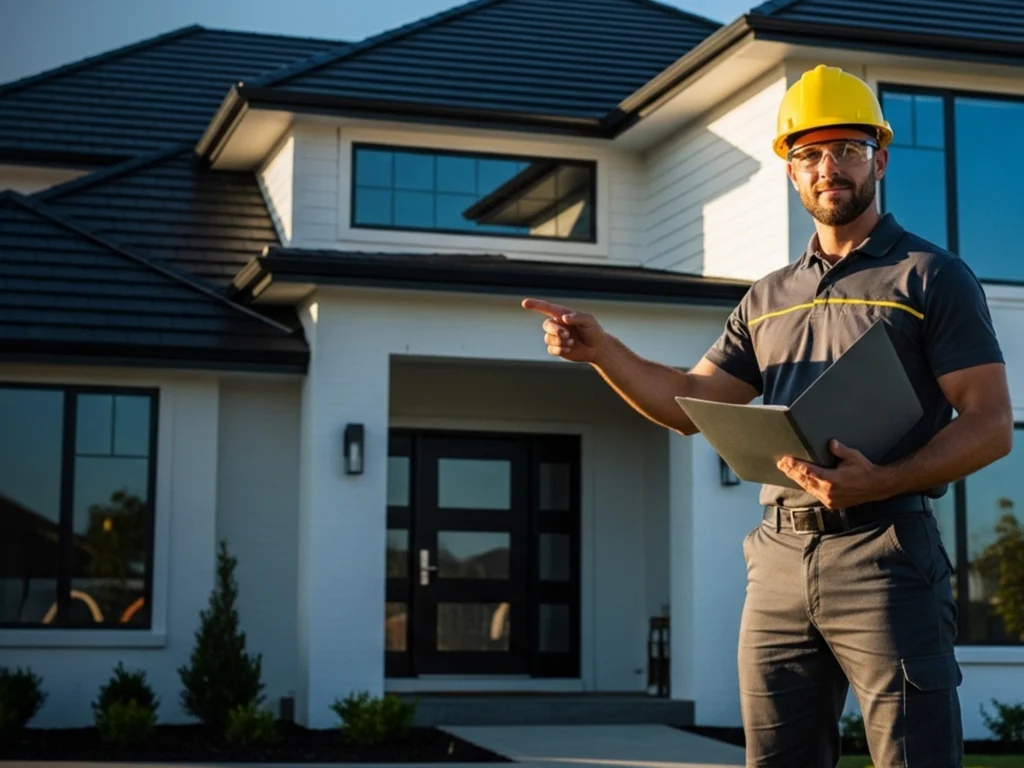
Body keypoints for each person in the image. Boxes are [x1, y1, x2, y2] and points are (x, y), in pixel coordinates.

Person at [522, 64, 1013, 767]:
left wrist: (880, 481)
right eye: (808, 154)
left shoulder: (931, 277)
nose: (827, 167)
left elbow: (991, 423)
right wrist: (603, 351)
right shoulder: (767, 296)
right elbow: (688, 404)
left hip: (885, 552)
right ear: (791, 172)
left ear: (880, 155)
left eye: (845, 148)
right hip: (778, 559)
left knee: (914, 757)